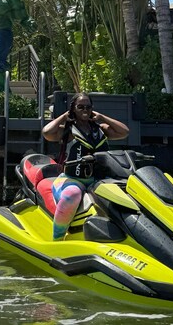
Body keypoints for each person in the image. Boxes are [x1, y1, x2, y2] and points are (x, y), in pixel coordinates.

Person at [42, 92, 129, 241]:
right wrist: (64, 116)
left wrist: (102, 117)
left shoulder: (100, 129)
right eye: (80, 107)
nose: (85, 110)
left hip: (98, 179)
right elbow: (46, 132)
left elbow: (124, 132)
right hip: (72, 179)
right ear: (73, 109)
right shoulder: (68, 130)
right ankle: (57, 239)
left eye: (88, 107)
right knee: (72, 195)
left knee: (124, 192)